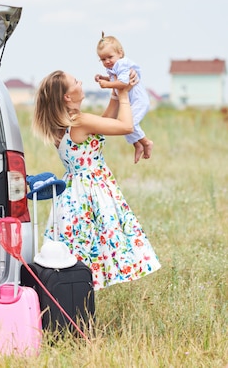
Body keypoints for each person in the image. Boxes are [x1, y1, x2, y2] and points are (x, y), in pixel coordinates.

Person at [32, 70, 161, 290]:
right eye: (75, 81)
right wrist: (123, 93)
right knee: (97, 245)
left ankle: (76, 301)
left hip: (73, 194)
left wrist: (112, 94)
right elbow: (125, 126)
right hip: (92, 191)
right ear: (67, 97)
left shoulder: (63, 125)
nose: (80, 82)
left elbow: (102, 123)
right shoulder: (79, 121)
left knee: (82, 249)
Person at [94, 32, 154, 164]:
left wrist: (108, 85)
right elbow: (114, 79)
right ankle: (137, 144)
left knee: (129, 124)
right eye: (103, 59)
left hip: (139, 101)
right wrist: (103, 78)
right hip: (131, 101)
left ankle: (146, 142)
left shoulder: (122, 64)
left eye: (110, 57)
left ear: (120, 53)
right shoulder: (114, 67)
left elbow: (123, 83)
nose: (107, 61)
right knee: (124, 122)